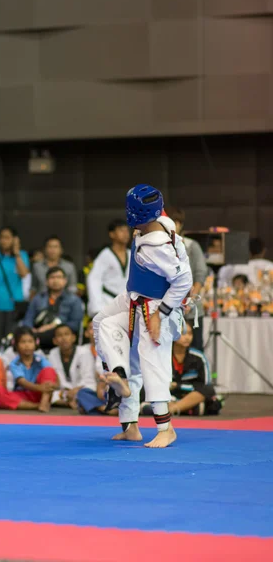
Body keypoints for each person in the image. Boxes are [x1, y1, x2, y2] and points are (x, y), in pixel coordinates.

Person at [93, 185, 193, 448]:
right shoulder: (157, 225)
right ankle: (122, 392)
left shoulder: (156, 245)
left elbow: (184, 280)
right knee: (102, 323)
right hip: (134, 298)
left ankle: (166, 428)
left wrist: (162, 314)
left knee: (152, 363)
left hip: (156, 307)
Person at [165, 206, 208, 351]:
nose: (174, 225)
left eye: (177, 222)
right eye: (171, 221)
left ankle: (197, 374)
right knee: (168, 350)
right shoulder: (160, 247)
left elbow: (201, 274)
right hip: (167, 307)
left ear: (181, 224)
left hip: (190, 308)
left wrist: (189, 300)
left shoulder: (191, 245)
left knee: (194, 349)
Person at [0, 227, 30, 347]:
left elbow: (24, 273)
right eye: (2, 237)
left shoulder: (22, 255)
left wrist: (17, 253)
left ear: (14, 239)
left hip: (15, 304)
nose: (4, 241)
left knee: (13, 340)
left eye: (8, 238)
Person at [23, 266, 84, 351]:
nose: (55, 280)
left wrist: (53, 326)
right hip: (38, 333)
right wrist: (31, 330)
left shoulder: (74, 300)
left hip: (62, 335)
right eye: (52, 277)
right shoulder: (38, 298)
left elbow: (75, 324)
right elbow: (27, 320)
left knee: (61, 334)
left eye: (59, 277)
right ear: (46, 282)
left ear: (65, 281)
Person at [87, 219, 131, 317]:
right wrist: (96, 307)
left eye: (126, 230)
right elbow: (94, 279)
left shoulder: (132, 254)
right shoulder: (105, 255)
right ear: (112, 234)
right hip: (108, 301)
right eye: (121, 230)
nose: (125, 234)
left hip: (129, 303)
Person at [9, 327, 58, 413]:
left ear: (36, 343)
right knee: (3, 396)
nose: (27, 345)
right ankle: (36, 406)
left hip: (41, 394)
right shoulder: (14, 363)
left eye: (30, 341)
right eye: (23, 342)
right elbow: (22, 382)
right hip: (24, 394)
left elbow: (52, 373)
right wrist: (39, 388)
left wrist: (51, 386)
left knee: (49, 370)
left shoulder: (40, 359)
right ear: (16, 345)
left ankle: (44, 401)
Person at [49, 324, 97, 410]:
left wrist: (75, 390)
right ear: (54, 341)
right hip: (64, 392)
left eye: (66, 334)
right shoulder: (53, 354)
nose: (63, 338)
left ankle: (70, 402)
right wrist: (66, 392)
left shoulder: (84, 352)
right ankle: (71, 403)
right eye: (59, 335)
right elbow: (56, 379)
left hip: (81, 389)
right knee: (52, 394)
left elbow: (88, 379)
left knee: (89, 391)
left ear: (73, 337)